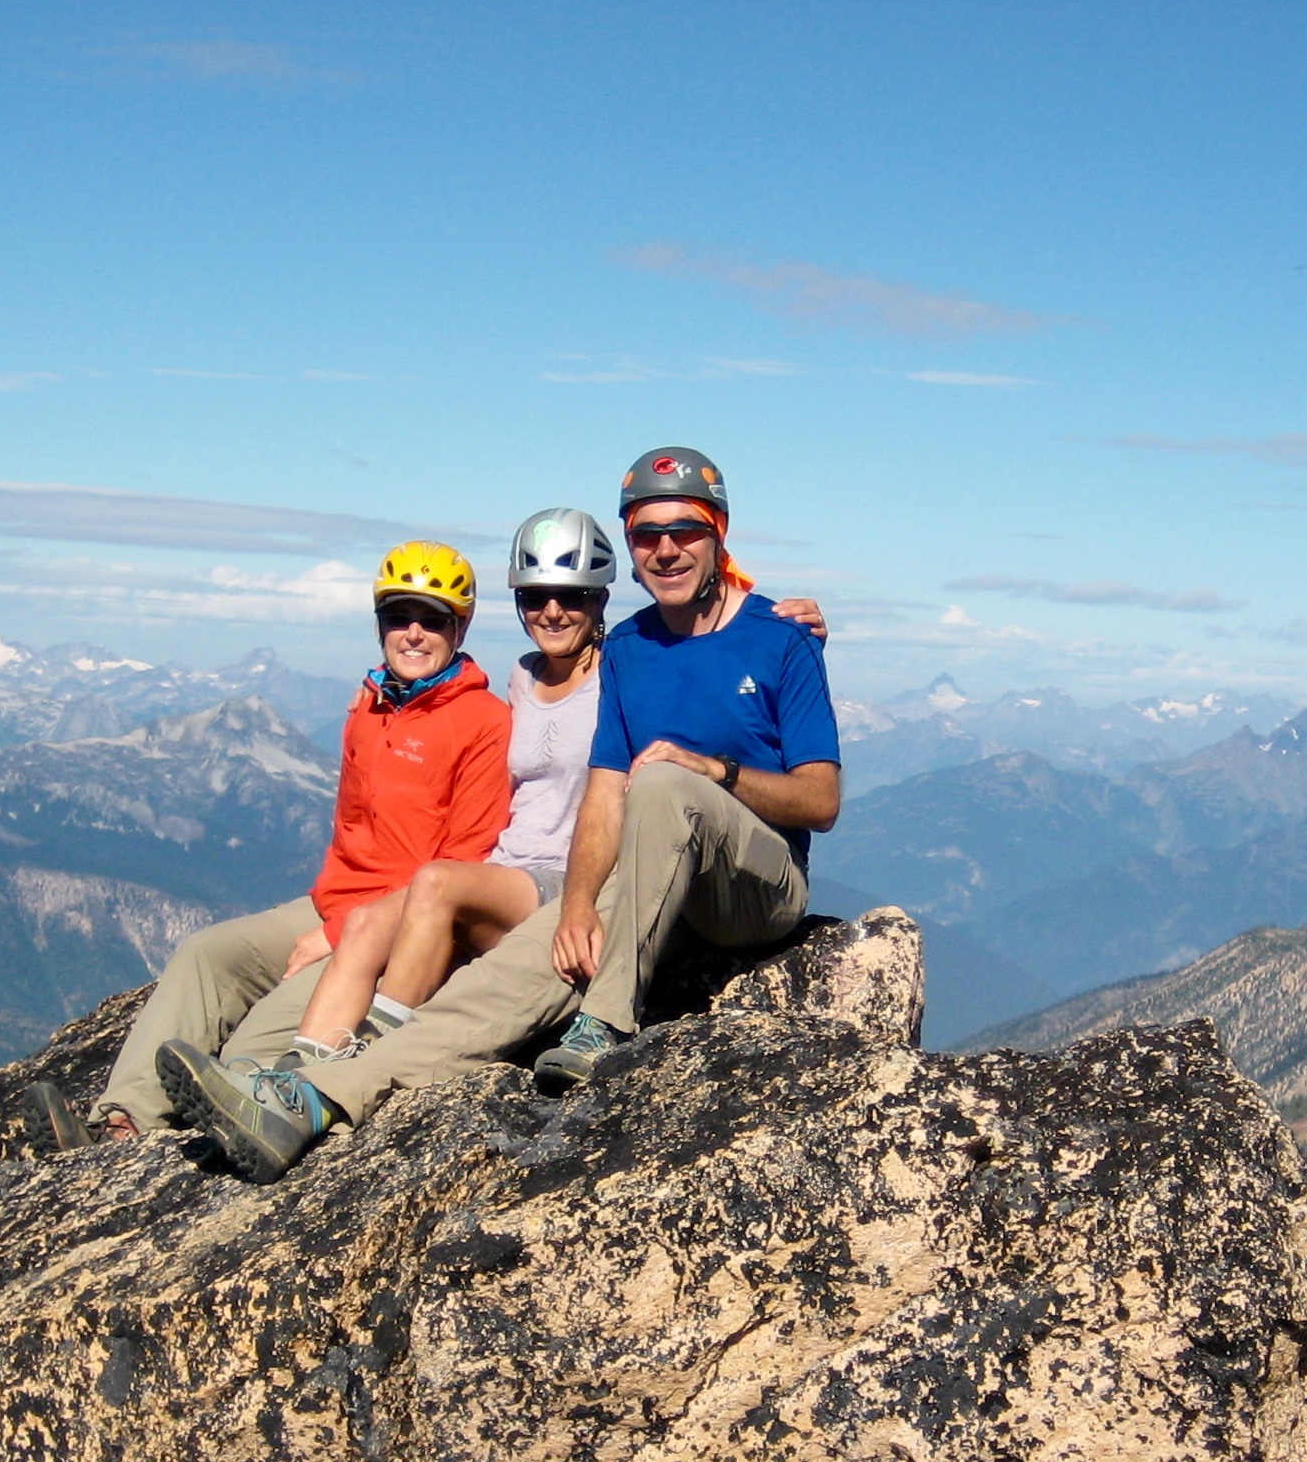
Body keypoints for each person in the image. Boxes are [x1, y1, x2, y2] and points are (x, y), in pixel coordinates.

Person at [162, 444, 840, 1180]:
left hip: (757, 887)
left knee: (667, 783)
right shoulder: (634, 650)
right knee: (504, 980)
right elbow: (604, 788)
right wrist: (577, 902)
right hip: (651, 878)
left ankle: (604, 1022)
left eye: (686, 530)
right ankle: (314, 1099)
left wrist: (715, 771)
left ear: (720, 533)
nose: (667, 549)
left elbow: (822, 800)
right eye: (647, 534)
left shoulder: (780, 637)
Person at [90, 541, 511, 1137]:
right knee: (203, 956)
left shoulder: (485, 722)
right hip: (331, 905)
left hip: (397, 933)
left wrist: (337, 937)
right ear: (378, 624)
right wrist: (327, 921)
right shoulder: (370, 708)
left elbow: (464, 862)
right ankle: (126, 1120)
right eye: (398, 616)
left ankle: (225, 1113)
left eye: (433, 619)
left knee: (254, 1043)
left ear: (460, 626)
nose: (413, 633)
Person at [289, 507, 619, 1062]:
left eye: (573, 596)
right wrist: (375, 695)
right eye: (535, 597)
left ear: (599, 600)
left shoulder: (624, 677)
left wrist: (791, 625)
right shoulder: (523, 676)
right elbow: (451, 701)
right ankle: (299, 1070)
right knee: (368, 922)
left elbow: (691, 661)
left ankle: (370, 1054)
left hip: (566, 875)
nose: (553, 611)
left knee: (436, 881)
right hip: (505, 872)